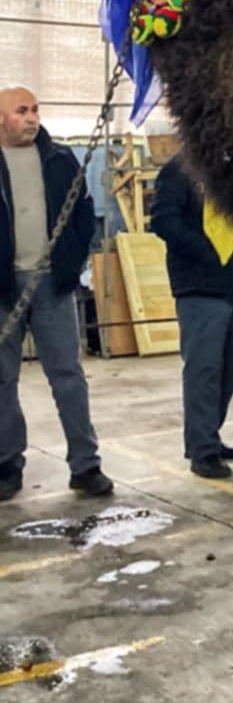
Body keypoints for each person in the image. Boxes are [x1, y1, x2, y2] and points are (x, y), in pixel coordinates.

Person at [0, 85, 113, 501]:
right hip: (3, 287)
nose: (32, 117)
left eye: (35, 110)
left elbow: (83, 213)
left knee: (68, 376)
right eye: (21, 111)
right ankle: (7, 465)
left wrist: (71, 259)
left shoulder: (60, 159)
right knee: (2, 379)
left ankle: (85, 465)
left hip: (52, 284)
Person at [149, 154, 233, 479]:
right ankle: (202, 450)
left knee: (229, 367)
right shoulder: (178, 171)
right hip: (198, 284)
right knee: (204, 369)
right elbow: (163, 221)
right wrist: (208, 252)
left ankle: (208, 435)